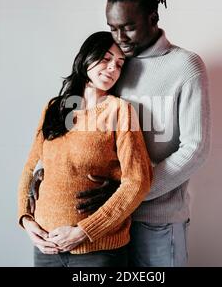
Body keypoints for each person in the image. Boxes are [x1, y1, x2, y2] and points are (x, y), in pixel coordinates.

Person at [29, 0, 211, 267]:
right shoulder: (113, 64)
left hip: (156, 222)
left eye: (128, 27)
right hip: (103, 226)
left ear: (152, 18)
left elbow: (195, 149)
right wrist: (42, 170)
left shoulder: (185, 66)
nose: (120, 38)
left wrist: (130, 191)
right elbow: (73, 124)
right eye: (112, 28)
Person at [17, 31, 153, 267]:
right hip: (46, 248)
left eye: (119, 64)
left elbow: (137, 181)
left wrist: (84, 231)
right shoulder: (55, 108)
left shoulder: (120, 111)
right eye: (106, 58)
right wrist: (26, 220)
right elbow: (31, 168)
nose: (113, 68)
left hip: (97, 252)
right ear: (86, 58)